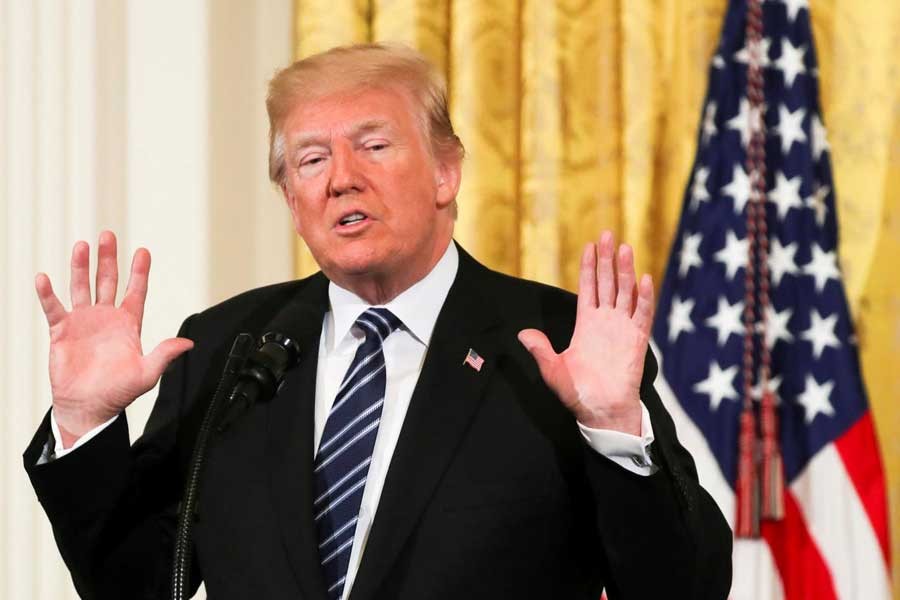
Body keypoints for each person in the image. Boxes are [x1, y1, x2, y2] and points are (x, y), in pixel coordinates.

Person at [24, 43, 731, 599]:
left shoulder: (554, 340)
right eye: (310, 159)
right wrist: (84, 426)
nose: (341, 177)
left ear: (446, 172)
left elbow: (682, 588)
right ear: (292, 199)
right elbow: (138, 586)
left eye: (374, 144)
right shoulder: (226, 348)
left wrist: (611, 425)